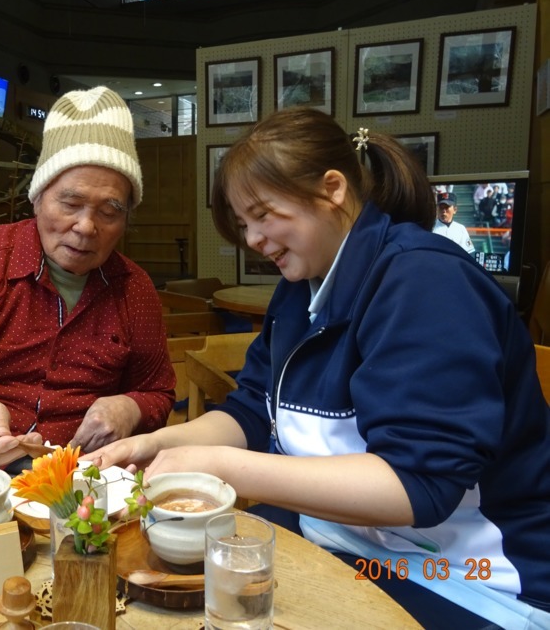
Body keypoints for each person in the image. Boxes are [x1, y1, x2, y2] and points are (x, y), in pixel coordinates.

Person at [85, 108, 550, 629]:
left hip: (469, 577)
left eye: (263, 215)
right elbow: (253, 411)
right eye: (244, 224)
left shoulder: (426, 281)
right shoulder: (298, 290)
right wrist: (159, 444)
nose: (254, 240)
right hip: (344, 541)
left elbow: (419, 484)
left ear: (332, 189)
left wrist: (217, 465)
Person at [0, 86, 176, 475]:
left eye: (110, 211)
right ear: (37, 197)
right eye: (70, 203)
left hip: (78, 480)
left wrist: (130, 407)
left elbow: (157, 391)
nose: (85, 226)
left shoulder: (134, 288)